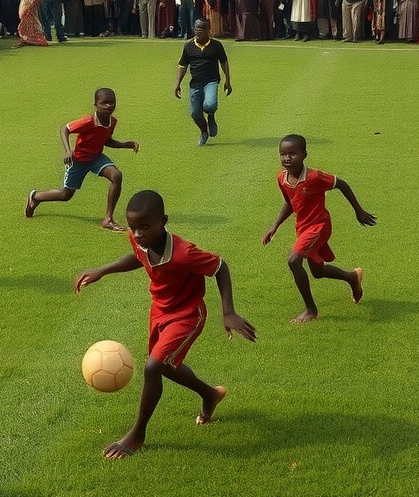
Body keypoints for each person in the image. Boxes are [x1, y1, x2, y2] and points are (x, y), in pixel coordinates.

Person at [75, 189, 256, 459]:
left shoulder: (185, 254)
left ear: (164, 221)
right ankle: (209, 394)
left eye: (144, 227)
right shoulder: (139, 238)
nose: (137, 234)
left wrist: (228, 311)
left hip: (186, 315)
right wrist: (104, 269)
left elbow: (220, 267)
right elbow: (139, 255)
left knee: (153, 366)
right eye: (133, 227)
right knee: (167, 367)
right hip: (159, 311)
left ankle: (137, 434)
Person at [261, 134, 376, 324]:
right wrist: (275, 226)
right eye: (283, 154)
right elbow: (290, 202)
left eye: (292, 153)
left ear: (304, 155)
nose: (287, 158)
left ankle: (311, 310)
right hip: (303, 228)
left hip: (319, 226)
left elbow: (341, 184)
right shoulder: (282, 178)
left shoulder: (314, 177)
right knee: (318, 271)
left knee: (293, 260)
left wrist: (359, 211)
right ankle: (352, 277)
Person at [25, 87, 139, 232]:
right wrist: (67, 151)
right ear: (95, 105)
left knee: (116, 176)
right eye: (104, 103)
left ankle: (108, 219)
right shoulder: (88, 121)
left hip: (96, 157)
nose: (109, 106)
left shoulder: (112, 121)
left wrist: (125, 145)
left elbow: (106, 140)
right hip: (79, 160)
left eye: (112, 102)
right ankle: (36, 197)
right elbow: (65, 129)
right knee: (66, 195)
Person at [174, 19, 231, 147]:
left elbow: (224, 62)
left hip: (211, 81)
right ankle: (204, 131)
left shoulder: (216, 45)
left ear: (207, 31)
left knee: (209, 105)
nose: (198, 32)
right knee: (195, 113)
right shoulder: (188, 46)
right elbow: (182, 65)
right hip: (195, 84)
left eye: (201, 29)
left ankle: (211, 115)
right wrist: (177, 84)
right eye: (196, 29)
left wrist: (228, 80)